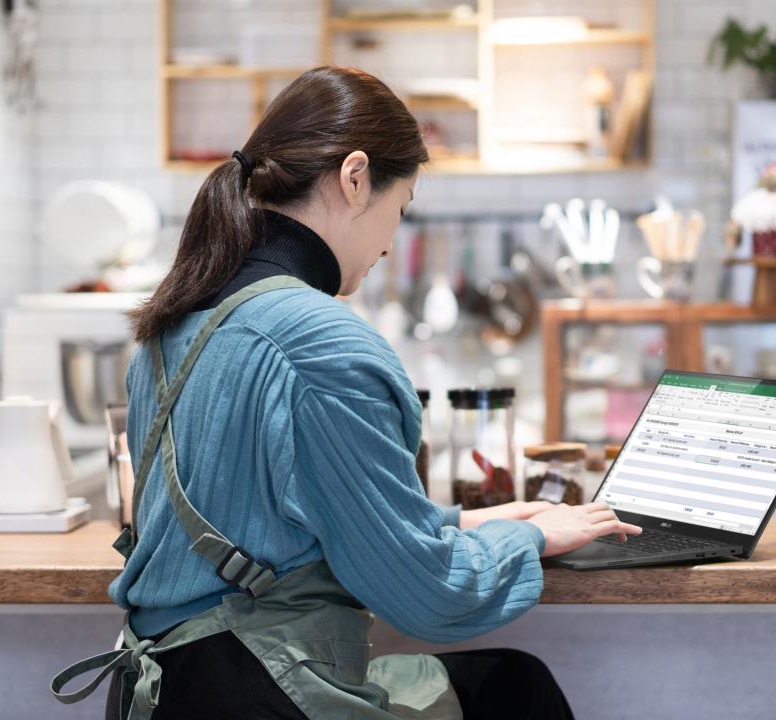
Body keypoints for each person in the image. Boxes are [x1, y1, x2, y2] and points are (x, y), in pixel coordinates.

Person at [51, 65, 641, 720]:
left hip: (158, 693)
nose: (393, 241)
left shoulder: (171, 329)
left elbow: (277, 522)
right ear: (356, 178)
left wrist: (471, 521)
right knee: (512, 689)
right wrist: (530, 540)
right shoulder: (321, 342)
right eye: (403, 206)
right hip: (254, 691)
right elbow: (428, 595)